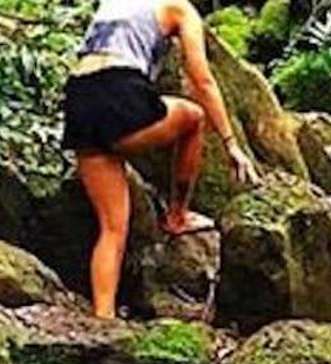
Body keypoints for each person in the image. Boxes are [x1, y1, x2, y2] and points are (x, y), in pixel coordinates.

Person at [62, 0, 259, 318]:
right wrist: (231, 143)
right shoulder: (179, 8)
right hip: (119, 89)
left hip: (79, 98)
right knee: (193, 117)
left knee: (112, 228)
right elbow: (202, 80)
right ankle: (177, 216)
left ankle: (103, 318)